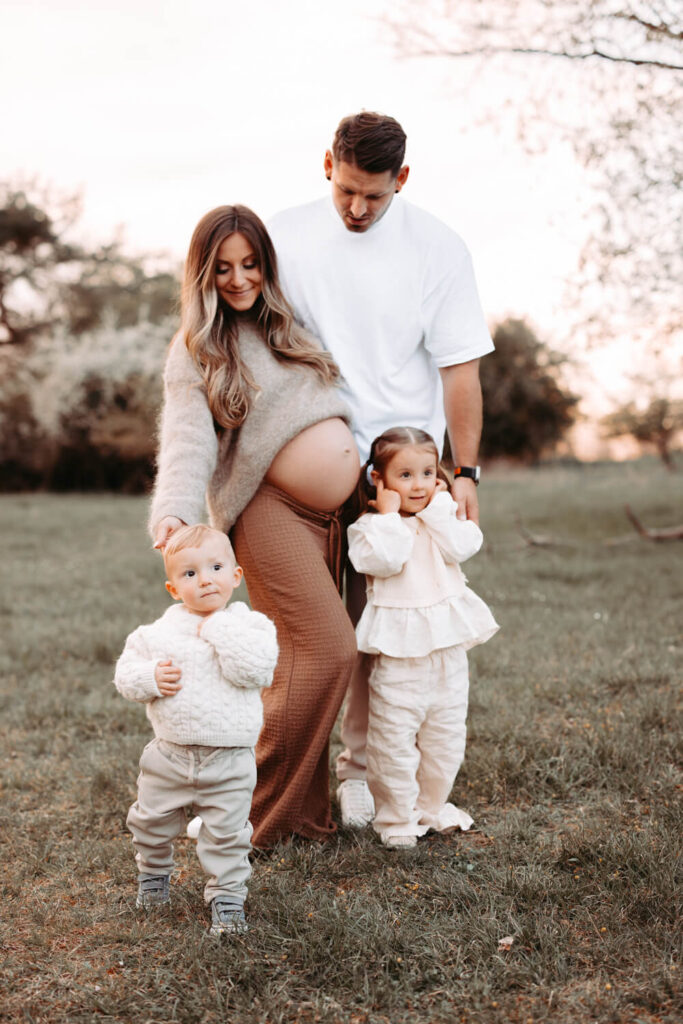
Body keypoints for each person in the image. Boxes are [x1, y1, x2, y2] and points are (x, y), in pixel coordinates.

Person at [268, 111, 495, 828]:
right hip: (308, 457)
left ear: (401, 179)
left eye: (374, 194)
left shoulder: (437, 248)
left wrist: (465, 472)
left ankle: (360, 772)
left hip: (398, 473)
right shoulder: (282, 235)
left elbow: (459, 367)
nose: (357, 208)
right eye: (346, 192)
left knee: (385, 634)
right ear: (325, 165)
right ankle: (276, 781)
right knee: (310, 635)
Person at [148, 205, 359, 849]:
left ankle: (303, 819)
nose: (239, 279)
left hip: (334, 516)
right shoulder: (197, 349)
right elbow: (187, 438)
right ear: (202, 274)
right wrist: (175, 512)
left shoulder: (291, 324)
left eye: (250, 264)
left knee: (300, 663)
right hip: (265, 509)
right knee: (328, 649)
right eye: (223, 268)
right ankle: (252, 823)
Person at [113, 524, 278, 933]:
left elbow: (254, 670)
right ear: (173, 589)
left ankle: (227, 899)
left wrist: (218, 627)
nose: (205, 579)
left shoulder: (253, 627)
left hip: (230, 761)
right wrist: (149, 677)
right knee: (149, 823)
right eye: (189, 574)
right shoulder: (156, 633)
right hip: (169, 755)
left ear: (235, 577)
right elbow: (126, 674)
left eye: (216, 567)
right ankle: (153, 878)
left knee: (227, 835)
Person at [347, 428, 499, 848]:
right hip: (400, 658)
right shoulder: (370, 529)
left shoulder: (440, 518)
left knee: (445, 737)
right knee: (392, 740)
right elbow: (386, 560)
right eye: (405, 475)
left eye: (427, 473)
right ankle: (396, 817)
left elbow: (465, 545)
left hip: (447, 653)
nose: (418, 485)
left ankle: (430, 807)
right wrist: (389, 514)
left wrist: (438, 509)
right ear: (379, 479)